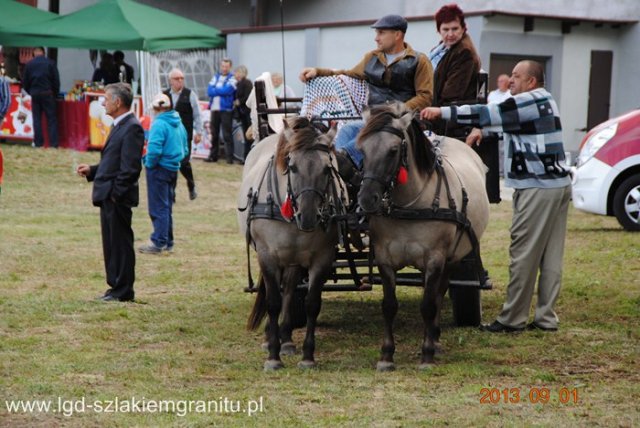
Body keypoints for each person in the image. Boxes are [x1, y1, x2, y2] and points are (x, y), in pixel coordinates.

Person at [421, 60, 572, 332]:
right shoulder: (542, 101)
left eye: (516, 76)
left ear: (531, 82)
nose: (510, 80)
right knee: (551, 256)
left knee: (523, 253)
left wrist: (441, 112)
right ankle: (546, 317)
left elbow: (487, 112)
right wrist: (483, 130)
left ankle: (512, 319)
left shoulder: (528, 100)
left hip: (537, 188)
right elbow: (511, 123)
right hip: (557, 186)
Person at [299, 14, 433, 168]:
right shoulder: (371, 57)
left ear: (397, 35)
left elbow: (425, 97)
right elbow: (348, 74)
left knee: (362, 140)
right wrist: (317, 71)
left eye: (381, 33)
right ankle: (346, 168)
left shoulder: (419, 60)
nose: (376, 38)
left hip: (402, 122)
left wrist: (395, 110)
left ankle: (343, 165)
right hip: (374, 120)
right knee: (348, 130)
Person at [76, 83, 144, 302]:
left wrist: (116, 194)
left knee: (121, 244)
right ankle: (115, 286)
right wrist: (93, 171)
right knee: (111, 244)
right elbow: (113, 161)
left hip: (117, 197)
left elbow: (130, 168)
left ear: (118, 102)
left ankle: (123, 290)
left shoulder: (132, 127)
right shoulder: (118, 125)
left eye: (106, 98)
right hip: (109, 194)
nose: (103, 102)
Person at [139, 93, 188, 254]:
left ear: (156, 108)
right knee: (166, 207)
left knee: (158, 206)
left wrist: (148, 163)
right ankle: (168, 240)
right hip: (173, 168)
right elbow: (185, 148)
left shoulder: (159, 124)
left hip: (159, 168)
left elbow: (153, 149)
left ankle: (158, 241)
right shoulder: (178, 122)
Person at [429, 4, 480, 135]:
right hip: (436, 110)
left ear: (463, 29)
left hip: (449, 119)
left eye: (455, 28)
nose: (450, 34)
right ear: (438, 30)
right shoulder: (439, 50)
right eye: (445, 29)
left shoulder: (463, 52)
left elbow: (451, 94)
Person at [164, 68, 202, 200]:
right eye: (177, 79)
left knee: (184, 163)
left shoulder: (190, 95)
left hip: (185, 135)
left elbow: (197, 115)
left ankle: (191, 185)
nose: (180, 81)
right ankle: (171, 192)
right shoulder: (164, 95)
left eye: (182, 78)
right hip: (168, 136)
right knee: (171, 163)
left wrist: (199, 132)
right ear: (170, 81)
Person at [22, 47, 60, 148]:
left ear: (34, 52)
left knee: (37, 119)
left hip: (35, 93)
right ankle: (54, 144)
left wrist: (30, 91)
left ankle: (38, 143)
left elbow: (25, 82)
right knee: (51, 119)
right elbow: (56, 80)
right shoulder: (50, 63)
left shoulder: (29, 64)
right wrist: (55, 93)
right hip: (47, 93)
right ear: (44, 52)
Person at [205, 58, 237, 164]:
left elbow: (228, 90)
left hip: (226, 109)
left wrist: (216, 90)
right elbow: (209, 91)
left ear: (230, 67)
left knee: (227, 134)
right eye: (222, 66)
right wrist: (220, 91)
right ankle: (213, 156)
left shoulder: (232, 78)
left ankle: (229, 158)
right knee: (214, 134)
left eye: (226, 66)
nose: (224, 68)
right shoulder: (216, 76)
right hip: (214, 109)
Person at [233, 65, 253, 159]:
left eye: (237, 72)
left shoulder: (247, 83)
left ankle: (248, 155)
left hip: (247, 112)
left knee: (248, 134)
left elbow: (248, 97)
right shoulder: (237, 84)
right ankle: (245, 156)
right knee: (245, 134)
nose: (235, 74)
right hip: (241, 113)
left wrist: (239, 101)